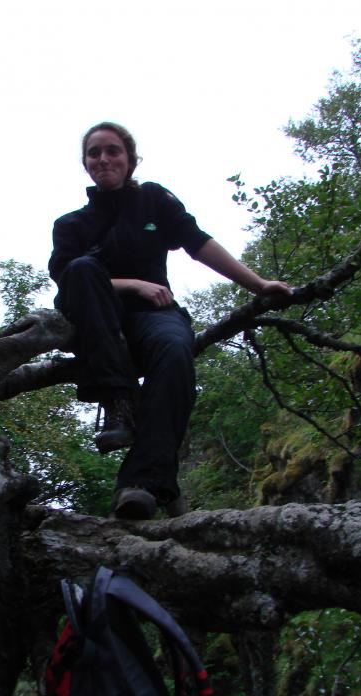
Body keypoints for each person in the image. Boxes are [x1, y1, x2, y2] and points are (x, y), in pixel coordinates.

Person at [49, 122, 292, 520]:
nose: (103, 159)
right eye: (94, 153)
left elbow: (198, 243)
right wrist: (133, 284)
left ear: (130, 159)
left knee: (176, 348)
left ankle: (141, 484)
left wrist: (259, 285)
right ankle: (118, 401)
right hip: (96, 321)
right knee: (81, 269)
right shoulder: (70, 224)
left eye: (113, 150)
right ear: (85, 163)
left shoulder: (152, 199)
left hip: (152, 316)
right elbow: (66, 278)